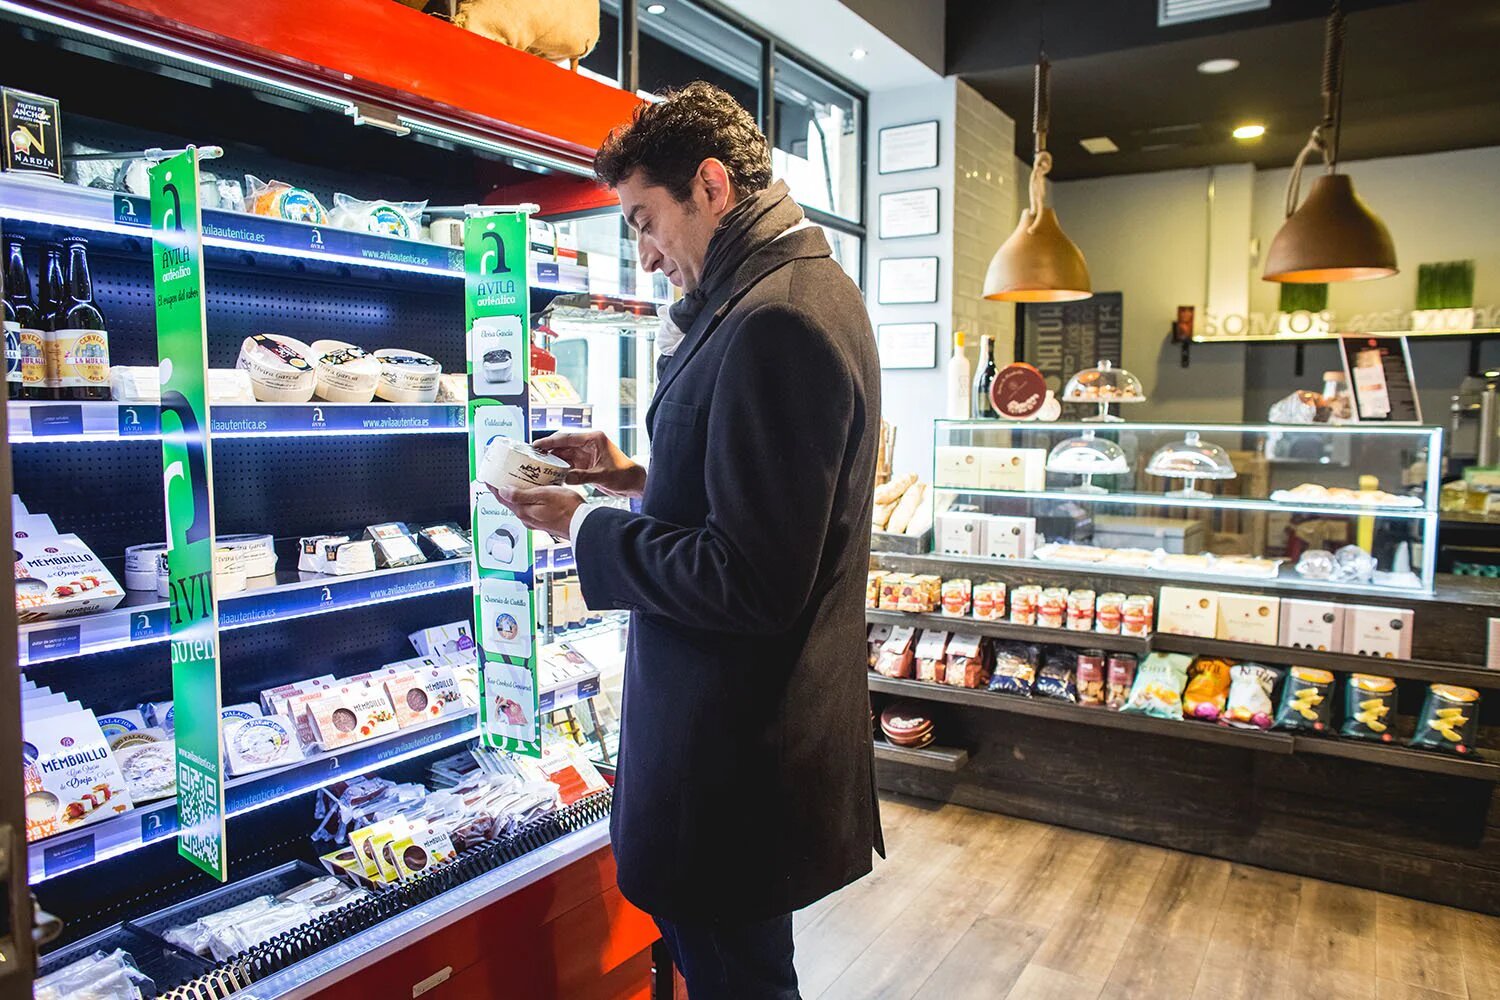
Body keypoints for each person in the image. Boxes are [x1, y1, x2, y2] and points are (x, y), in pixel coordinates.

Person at [491, 81, 882, 999]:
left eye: (642, 220)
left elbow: (749, 578)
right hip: (747, 754)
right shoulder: (794, 289)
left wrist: (581, 524)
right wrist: (633, 476)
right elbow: (772, 501)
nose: (644, 251)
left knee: (740, 982)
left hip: (732, 767)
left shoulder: (776, 318)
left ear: (711, 185)